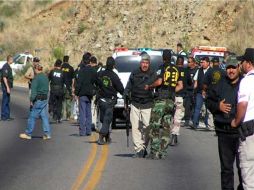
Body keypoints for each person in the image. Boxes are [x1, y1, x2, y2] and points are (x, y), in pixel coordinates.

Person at [207, 61, 243, 190]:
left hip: (241, 133)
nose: (231, 71)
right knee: (226, 169)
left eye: (233, 68)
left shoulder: (246, 84)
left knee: (243, 169)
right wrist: (218, 106)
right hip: (224, 132)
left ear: (239, 67)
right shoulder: (219, 84)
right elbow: (209, 101)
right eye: (228, 68)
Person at [145, 49, 183, 159]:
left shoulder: (162, 67)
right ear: (171, 57)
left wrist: (150, 86)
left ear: (163, 57)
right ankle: (163, 152)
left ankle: (154, 151)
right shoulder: (176, 69)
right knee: (166, 127)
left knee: (155, 125)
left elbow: (159, 82)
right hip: (171, 101)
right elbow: (180, 86)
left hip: (161, 100)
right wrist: (171, 91)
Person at [124, 53, 157, 158]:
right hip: (135, 103)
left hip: (148, 104)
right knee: (135, 127)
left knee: (148, 127)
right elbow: (129, 86)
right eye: (143, 62)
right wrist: (125, 94)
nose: (145, 65)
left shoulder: (153, 74)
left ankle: (143, 147)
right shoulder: (134, 72)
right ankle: (139, 149)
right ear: (140, 63)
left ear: (149, 64)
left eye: (147, 63)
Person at [231, 48, 254, 190]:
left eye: (243, 61)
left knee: (249, 177)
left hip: (250, 132)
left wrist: (235, 121)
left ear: (249, 63)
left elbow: (243, 105)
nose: (241, 64)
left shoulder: (247, 81)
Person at [19, 63, 51, 140]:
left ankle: (28, 133)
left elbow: (33, 92)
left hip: (39, 99)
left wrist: (31, 101)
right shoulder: (45, 77)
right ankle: (47, 134)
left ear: (36, 70)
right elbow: (47, 88)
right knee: (44, 116)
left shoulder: (36, 79)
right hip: (45, 98)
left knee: (32, 116)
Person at [96, 57, 124, 145]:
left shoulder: (100, 74)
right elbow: (121, 89)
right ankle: (101, 137)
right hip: (109, 101)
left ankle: (107, 138)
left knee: (104, 119)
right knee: (107, 119)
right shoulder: (114, 76)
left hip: (100, 100)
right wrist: (125, 94)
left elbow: (96, 83)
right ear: (113, 66)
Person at [170, 55, 192, 146]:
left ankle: (172, 135)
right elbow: (190, 83)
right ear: (183, 62)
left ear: (176, 62)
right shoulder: (186, 71)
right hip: (180, 97)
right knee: (177, 118)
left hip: (171, 96)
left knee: (171, 116)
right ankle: (174, 135)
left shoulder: (172, 70)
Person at [75, 53, 97, 136]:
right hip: (90, 94)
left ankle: (82, 131)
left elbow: (79, 83)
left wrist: (76, 93)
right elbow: (96, 81)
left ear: (83, 61)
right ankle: (88, 131)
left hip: (82, 94)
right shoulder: (93, 70)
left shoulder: (81, 71)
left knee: (82, 113)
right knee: (89, 112)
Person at [191, 56, 213, 129]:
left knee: (208, 109)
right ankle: (195, 123)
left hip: (208, 93)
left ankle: (207, 124)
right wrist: (194, 90)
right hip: (199, 92)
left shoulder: (211, 71)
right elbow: (196, 81)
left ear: (208, 63)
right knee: (197, 108)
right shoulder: (199, 70)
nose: (202, 64)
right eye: (201, 62)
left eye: (203, 62)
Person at [183, 56, 198, 126]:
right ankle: (187, 120)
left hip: (194, 90)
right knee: (187, 105)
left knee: (194, 105)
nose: (188, 63)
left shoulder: (197, 70)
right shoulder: (186, 70)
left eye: (189, 62)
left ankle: (192, 118)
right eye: (187, 62)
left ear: (193, 63)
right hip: (187, 90)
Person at [61, 55, 74, 121]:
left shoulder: (60, 67)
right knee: (68, 101)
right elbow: (73, 79)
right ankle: (68, 116)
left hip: (61, 86)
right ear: (68, 60)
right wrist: (72, 88)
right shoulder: (71, 68)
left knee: (62, 101)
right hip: (68, 87)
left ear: (63, 60)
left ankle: (61, 115)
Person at [1, 55, 14, 121]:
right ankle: (3, 116)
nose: (13, 60)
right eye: (12, 59)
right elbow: (4, 77)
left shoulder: (8, 66)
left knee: (7, 101)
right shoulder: (6, 67)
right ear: (10, 59)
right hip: (6, 87)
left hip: (7, 86)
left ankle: (7, 116)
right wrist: (7, 87)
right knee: (5, 101)